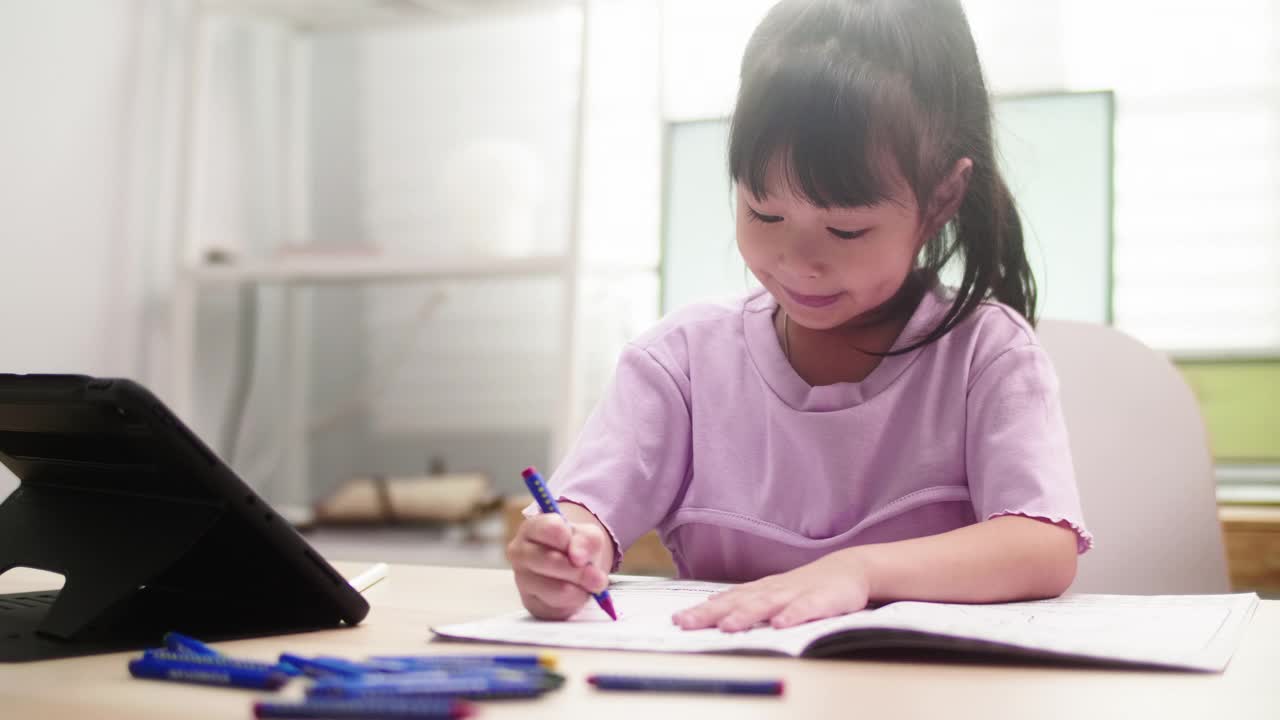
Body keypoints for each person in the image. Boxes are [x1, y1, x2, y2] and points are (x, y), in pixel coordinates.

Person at [507, 0, 1091, 632]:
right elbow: (582, 514)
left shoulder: (987, 354)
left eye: (845, 229)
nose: (799, 262)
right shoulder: (681, 363)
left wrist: (857, 571)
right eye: (764, 213)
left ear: (941, 198)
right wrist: (564, 557)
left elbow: (1041, 546)